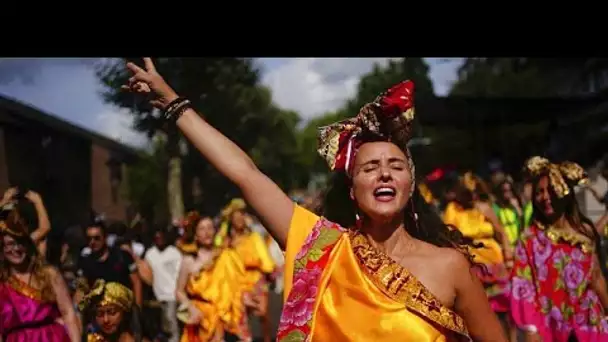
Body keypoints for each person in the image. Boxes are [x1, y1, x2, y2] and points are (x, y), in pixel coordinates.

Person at [122, 58, 505, 341]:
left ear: (410, 183)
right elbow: (246, 174)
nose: (384, 173)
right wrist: (175, 105)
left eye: (395, 166)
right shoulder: (322, 248)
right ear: (352, 188)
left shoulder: (451, 266)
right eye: (370, 168)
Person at [510, 156, 608, 341]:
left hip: (590, 326)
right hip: (551, 330)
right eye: (539, 192)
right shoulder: (529, 239)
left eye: (551, 190)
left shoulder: (584, 231)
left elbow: (596, 278)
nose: (545, 197)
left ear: (565, 192)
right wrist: (531, 331)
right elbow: (523, 287)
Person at [0, 208, 81, 341]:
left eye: (20, 243)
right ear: (2, 249)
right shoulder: (2, 283)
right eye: (10, 244)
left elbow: (68, 313)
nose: (16, 249)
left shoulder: (49, 274)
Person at [174, 214, 251, 341]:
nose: (207, 232)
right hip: (200, 318)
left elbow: (237, 285)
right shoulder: (189, 260)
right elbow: (179, 291)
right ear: (195, 234)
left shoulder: (225, 255)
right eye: (202, 229)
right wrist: (190, 308)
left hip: (223, 317)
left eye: (210, 228)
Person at [222, 199, 275, 342]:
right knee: (240, 317)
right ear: (231, 219)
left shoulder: (254, 237)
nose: (240, 219)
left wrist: (269, 274)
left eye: (242, 216)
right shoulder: (225, 241)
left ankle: (267, 339)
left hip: (256, 280)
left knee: (263, 314)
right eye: (236, 217)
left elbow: (265, 261)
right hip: (237, 284)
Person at [74, 221, 142, 308]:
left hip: (123, 309)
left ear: (105, 237)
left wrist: (138, 309)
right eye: (89, 239)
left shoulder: (122, 256)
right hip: (99, 312)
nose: (92, 242)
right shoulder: (85, 262)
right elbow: (80, 289)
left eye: (96, 238)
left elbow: (136, 282)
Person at [139, 228, 182, 342]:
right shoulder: (150, 254)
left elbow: (180, 274)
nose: (159, 240)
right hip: (157, 297)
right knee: (161, 328)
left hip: (172, 296)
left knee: (172, 325)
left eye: (161, 237)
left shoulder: (174, 253)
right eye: (157, 238)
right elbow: (147, 273)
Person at [0, 187, 51, 256]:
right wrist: (38, 201)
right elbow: (45, 228)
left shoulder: (7, 242)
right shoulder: (22, 241)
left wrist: (5, 201)